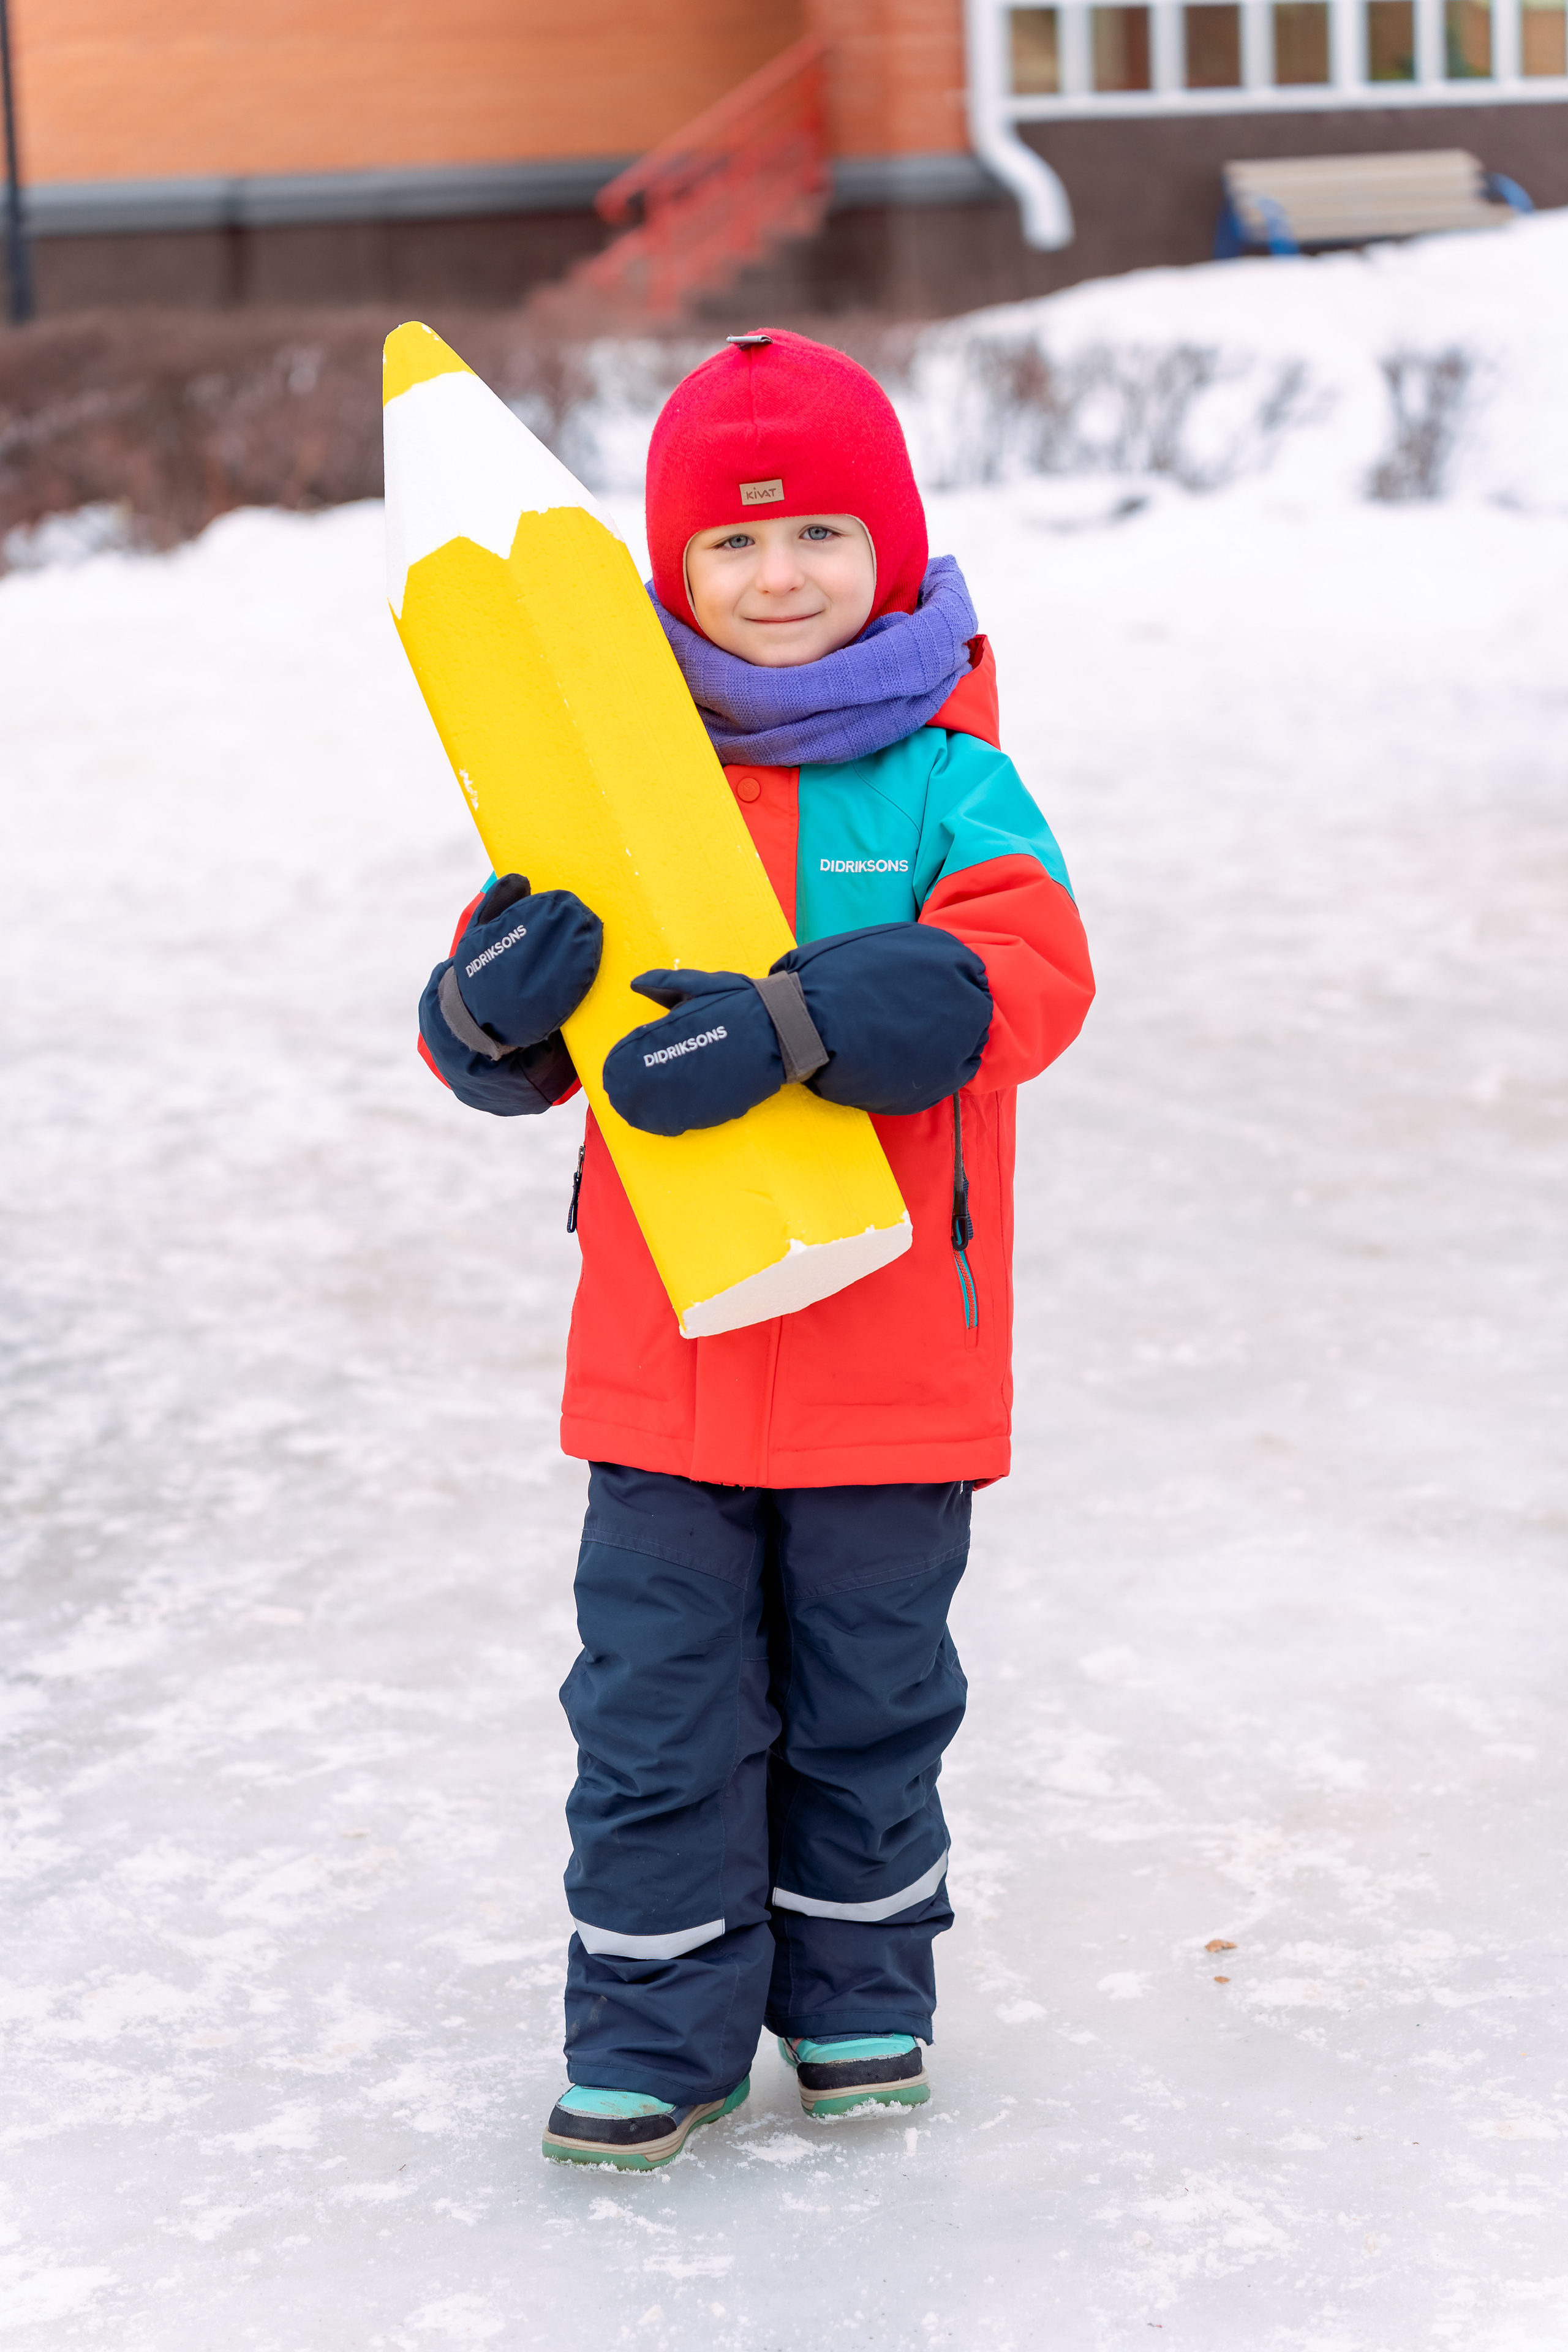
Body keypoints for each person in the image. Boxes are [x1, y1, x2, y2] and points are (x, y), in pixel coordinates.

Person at [416, 330, 1095, 2170]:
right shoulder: (611, 777)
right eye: (731, 544)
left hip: (893, 1374)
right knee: (655, 1723)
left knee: (872, 1713)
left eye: (816, 537)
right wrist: (486, 1010)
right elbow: (498, 1028)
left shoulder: (955, 779)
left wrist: (803, 1022)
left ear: (890, 549)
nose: (777, 576)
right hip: (670, 1373)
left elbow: (1031, 973)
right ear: (671, 572)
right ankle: (653, 2036)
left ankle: (866, 2007)